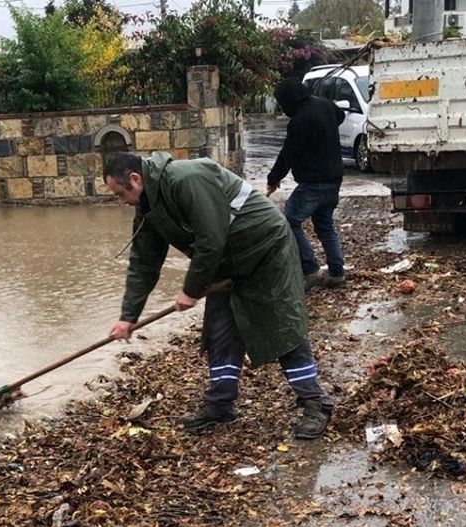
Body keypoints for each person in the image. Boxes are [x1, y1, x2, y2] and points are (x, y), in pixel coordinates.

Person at [102, 151, 334, 439]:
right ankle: (220, 404)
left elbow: (211, 239)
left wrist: (190, 290)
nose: (121, 202)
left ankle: (315, 404)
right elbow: (143, 265)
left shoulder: (186, 178)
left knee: (281, 327)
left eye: (120, 193)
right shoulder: (149, 206)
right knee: (220, 332)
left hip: (264, 250)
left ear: (135, 179)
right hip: (226, 263)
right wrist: (128, 317)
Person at [266, 78, 346, 292]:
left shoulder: (300, 120)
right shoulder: (325, 105)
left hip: (313, 183)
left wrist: (273, 179)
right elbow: (340, 116)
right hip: (334, 180)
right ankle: (337, 274)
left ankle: (310, 269)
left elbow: (288, 154)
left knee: (289, 221)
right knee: (326, 226)